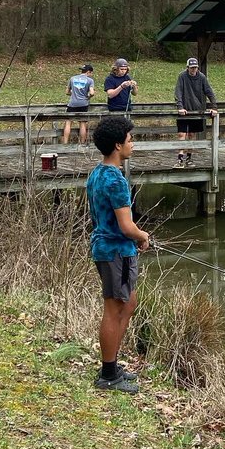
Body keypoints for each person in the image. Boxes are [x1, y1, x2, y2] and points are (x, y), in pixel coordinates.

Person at [86, 115, 150, 394]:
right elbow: (126, 226)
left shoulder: (97, 172)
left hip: (111, 249)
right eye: (129, 139)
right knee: (114, 309)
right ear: (117, 145)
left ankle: (111, 364)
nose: (132, 143)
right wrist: (143, 236)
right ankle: (108, 374)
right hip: (115, 251)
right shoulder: (115, 180)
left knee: (129, 303)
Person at [174, 57, 218, 167]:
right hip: (184, 109)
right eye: (191, 68)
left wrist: (214, 107)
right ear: (187, 68)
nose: (193, 70)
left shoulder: (202, 77)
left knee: (192, 134)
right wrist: (180, 107)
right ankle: (180, 158)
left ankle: (189, 157)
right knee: (181, 134)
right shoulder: (182, 76)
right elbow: (178, 92)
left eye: (195, 68)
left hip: (197, 110)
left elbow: (209, 92)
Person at [62, 64, 95, 145]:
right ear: (88, 72)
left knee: (68, 122)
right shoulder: (90, 80)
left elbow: (67, 92)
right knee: (82, 123)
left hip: (72, 103)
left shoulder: (72, 78)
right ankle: (82, 144)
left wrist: (73, 94)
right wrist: (88, 96)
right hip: (83, 104)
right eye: (91, 73)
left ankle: (65, 143)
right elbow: (92, 93)